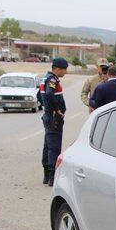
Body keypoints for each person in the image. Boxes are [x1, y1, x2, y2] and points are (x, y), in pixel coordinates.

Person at [40, 57, 68, 187]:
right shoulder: (52, 80)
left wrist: (45, 107)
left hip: (48, 115)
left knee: (48, 145)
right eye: (64, 69)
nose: (65, 72)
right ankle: (52, 176)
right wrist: (56, 110)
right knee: (54, 147)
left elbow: (38, 95)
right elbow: (50, 94)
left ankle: (46, 175)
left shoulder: (45, 78)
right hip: (53, 118)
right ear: (57, 69)